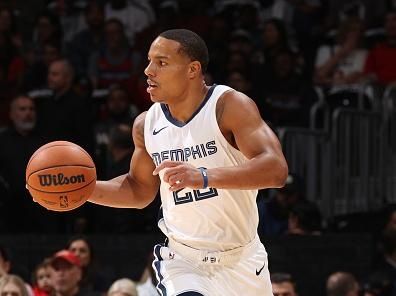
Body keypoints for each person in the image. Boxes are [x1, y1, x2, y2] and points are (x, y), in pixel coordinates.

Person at [88, 28, 288, 295]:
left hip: (243, 260)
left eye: (161, 62)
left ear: (192, 69)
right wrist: (83, 191)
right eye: (149, 61)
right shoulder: (146, 124)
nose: (148, 70)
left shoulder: (227, 106)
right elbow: (138, 190)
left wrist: (203, 176)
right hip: (184, 262)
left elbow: (276, 170)